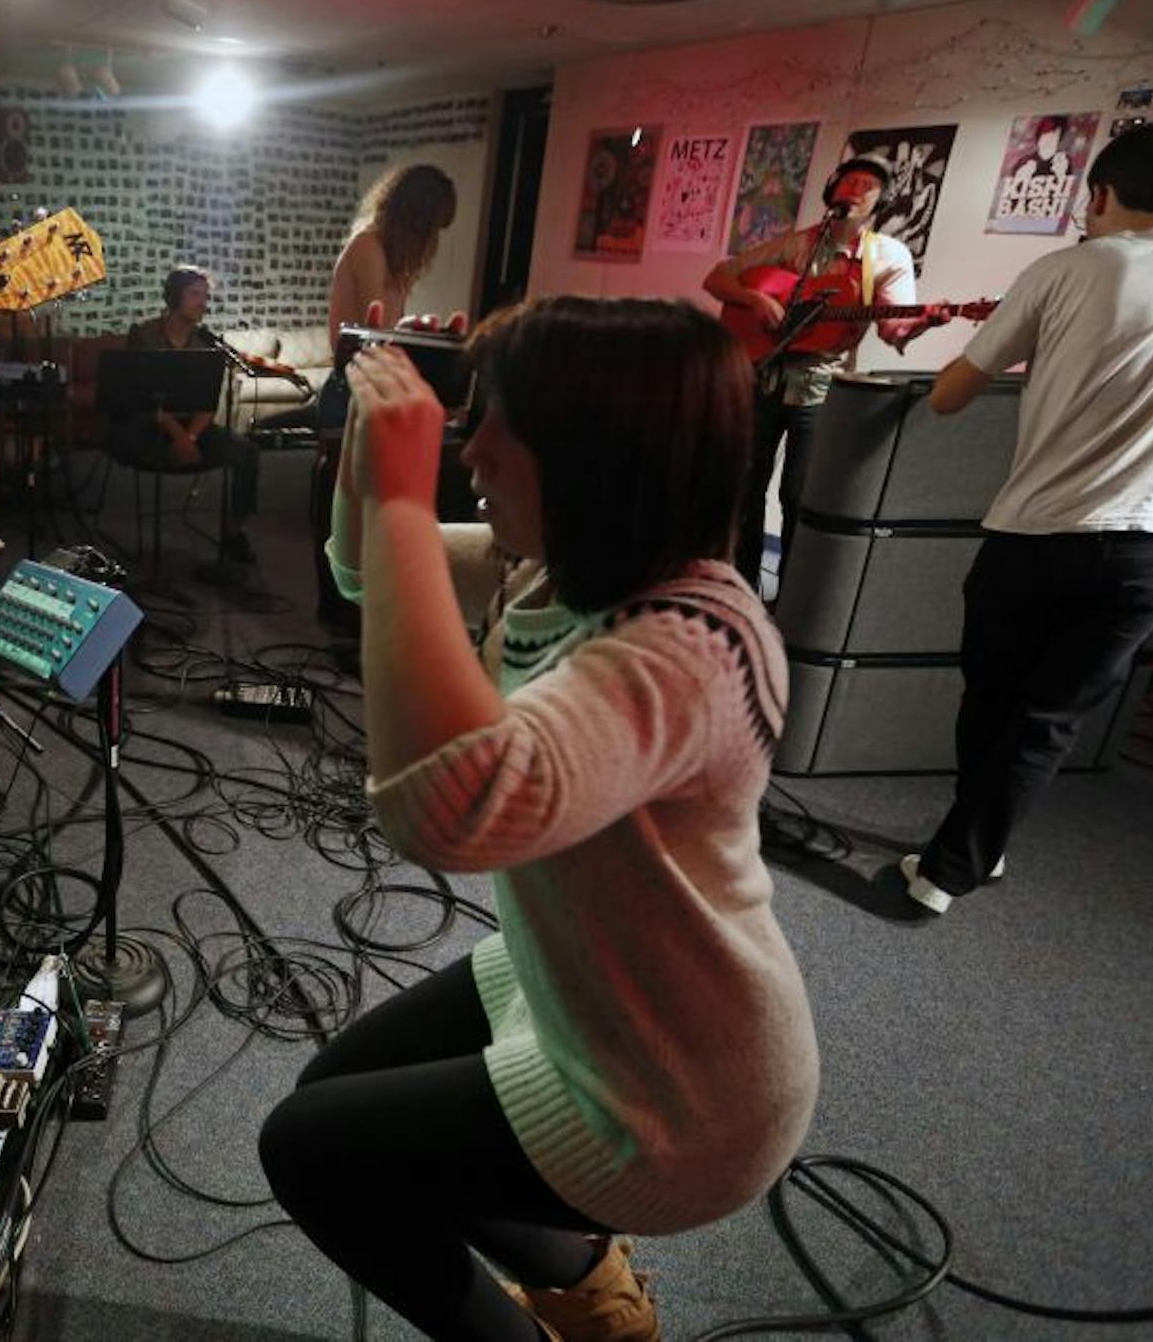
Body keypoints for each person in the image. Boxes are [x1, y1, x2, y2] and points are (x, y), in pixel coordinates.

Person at [260, 297, 818, 1341]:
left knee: (310, 1148)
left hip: (674, 1093)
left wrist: (398, 497)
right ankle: (595, 1295)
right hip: (574, 986)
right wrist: (363, 459)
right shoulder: (563, 566)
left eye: (490, 425)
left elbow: (453, 809)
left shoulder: (692, 646)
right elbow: (359, 571)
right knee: (339, 1098)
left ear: (586, 454)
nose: (468, 449)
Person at [900, 120, 1153, 915]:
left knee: (991, 693)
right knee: (1048, 716)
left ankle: (952, 865)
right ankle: (970, 853)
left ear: (1099, 192)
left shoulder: (1064, 266)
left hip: (1039, 526)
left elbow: (950, 395)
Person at [703, 155, 947, 599]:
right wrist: (755, 299)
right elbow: (717, 279)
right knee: (744, 490)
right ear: (831, 191)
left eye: (868, 187)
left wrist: (925, 321)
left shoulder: (887, 256)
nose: (856, 190)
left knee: (799, 497)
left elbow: (893, 329)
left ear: (881, 202)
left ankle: (794, 597)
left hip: (820, 391)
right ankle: (741, 586)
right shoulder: (796, 245)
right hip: (764, 377)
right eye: (850, 181)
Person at [310, 164, 459, 625]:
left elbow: (391, 333)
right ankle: (334, 608)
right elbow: (374, 332)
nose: (431, 239)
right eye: (429, 226)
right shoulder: (370, 247)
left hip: (367, 378)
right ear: (412, 215)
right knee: (341, 501)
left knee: (372, 498)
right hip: (348, 384)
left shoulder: (392, 255)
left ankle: (354, 603)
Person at [116, 265, 267, 563]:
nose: (203, 302)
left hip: (191, 426)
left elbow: (207, 402)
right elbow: (143, 397)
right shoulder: (144, 335)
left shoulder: (206, 342)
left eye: (206, 296)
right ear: (174, 297)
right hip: (150, 422)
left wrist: (192, 436)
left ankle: (235, 531)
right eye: (195, 294)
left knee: (246, 453)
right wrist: (179, 436)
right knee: (137, 442)